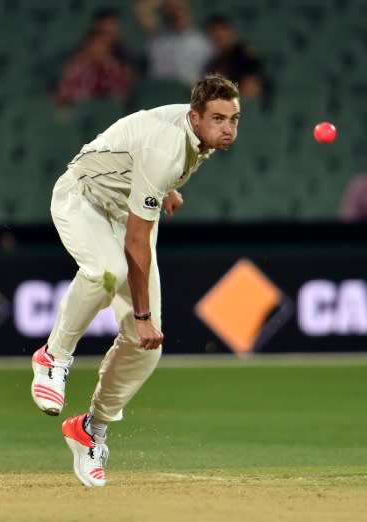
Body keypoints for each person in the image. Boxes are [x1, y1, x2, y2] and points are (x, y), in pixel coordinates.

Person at [30, 73, 240, 487]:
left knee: (146, 349)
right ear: (195, 117)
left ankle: (90, 430)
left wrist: (163, 189)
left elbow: (140, 164)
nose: (228, 129)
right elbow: (138, 238)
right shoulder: (165, 148)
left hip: (123, 206)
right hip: (83, 198)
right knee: (108, 273)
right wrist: (140, 313)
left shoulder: (195, 137)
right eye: (218, 119)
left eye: (234, 119)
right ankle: (53, 357)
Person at [54, 8, 136, 107]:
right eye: (96, 45)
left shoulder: (116, 66)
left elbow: (124, 94)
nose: (100, 49)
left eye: (104, 46)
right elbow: (63, 97)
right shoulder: (77, 67)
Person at [134, 0, 213, 86]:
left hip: (187, 91)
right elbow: (141, 9)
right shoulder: (159, 36)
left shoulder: (201, 41)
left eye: (180, 10)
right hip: (159, 89)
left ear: (189, 13)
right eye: (172, 11)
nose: (177, 14)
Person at [203, 14, 268, 106]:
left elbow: (250, 88)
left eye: (220, 35)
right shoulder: (212, 62)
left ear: (230, 32)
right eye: (214, 36)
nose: (218, 40)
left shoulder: (244, 56)